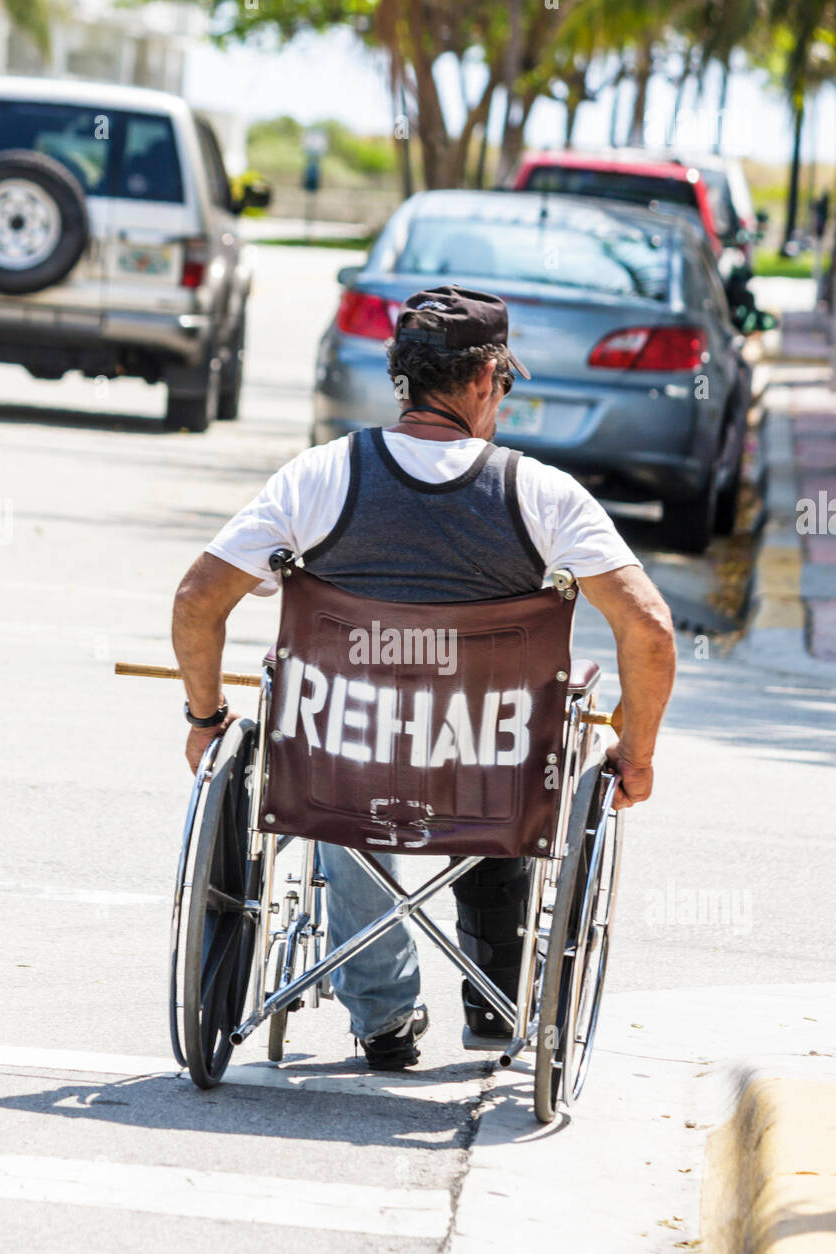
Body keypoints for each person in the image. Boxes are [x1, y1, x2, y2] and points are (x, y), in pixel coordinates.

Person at [172, 284, 676, 1070]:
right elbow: (648, 631)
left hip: (342, 772)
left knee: (330, 757)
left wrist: (206, 720)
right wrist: (635, 755)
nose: (501, 401)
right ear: (483, 380)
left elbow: (197, 600)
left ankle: (381, 1013)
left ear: (403, 380)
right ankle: (497, 993)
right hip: (491, 778)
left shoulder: (318, 478)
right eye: (504, 384)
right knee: (534, 731)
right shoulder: (541, 496)